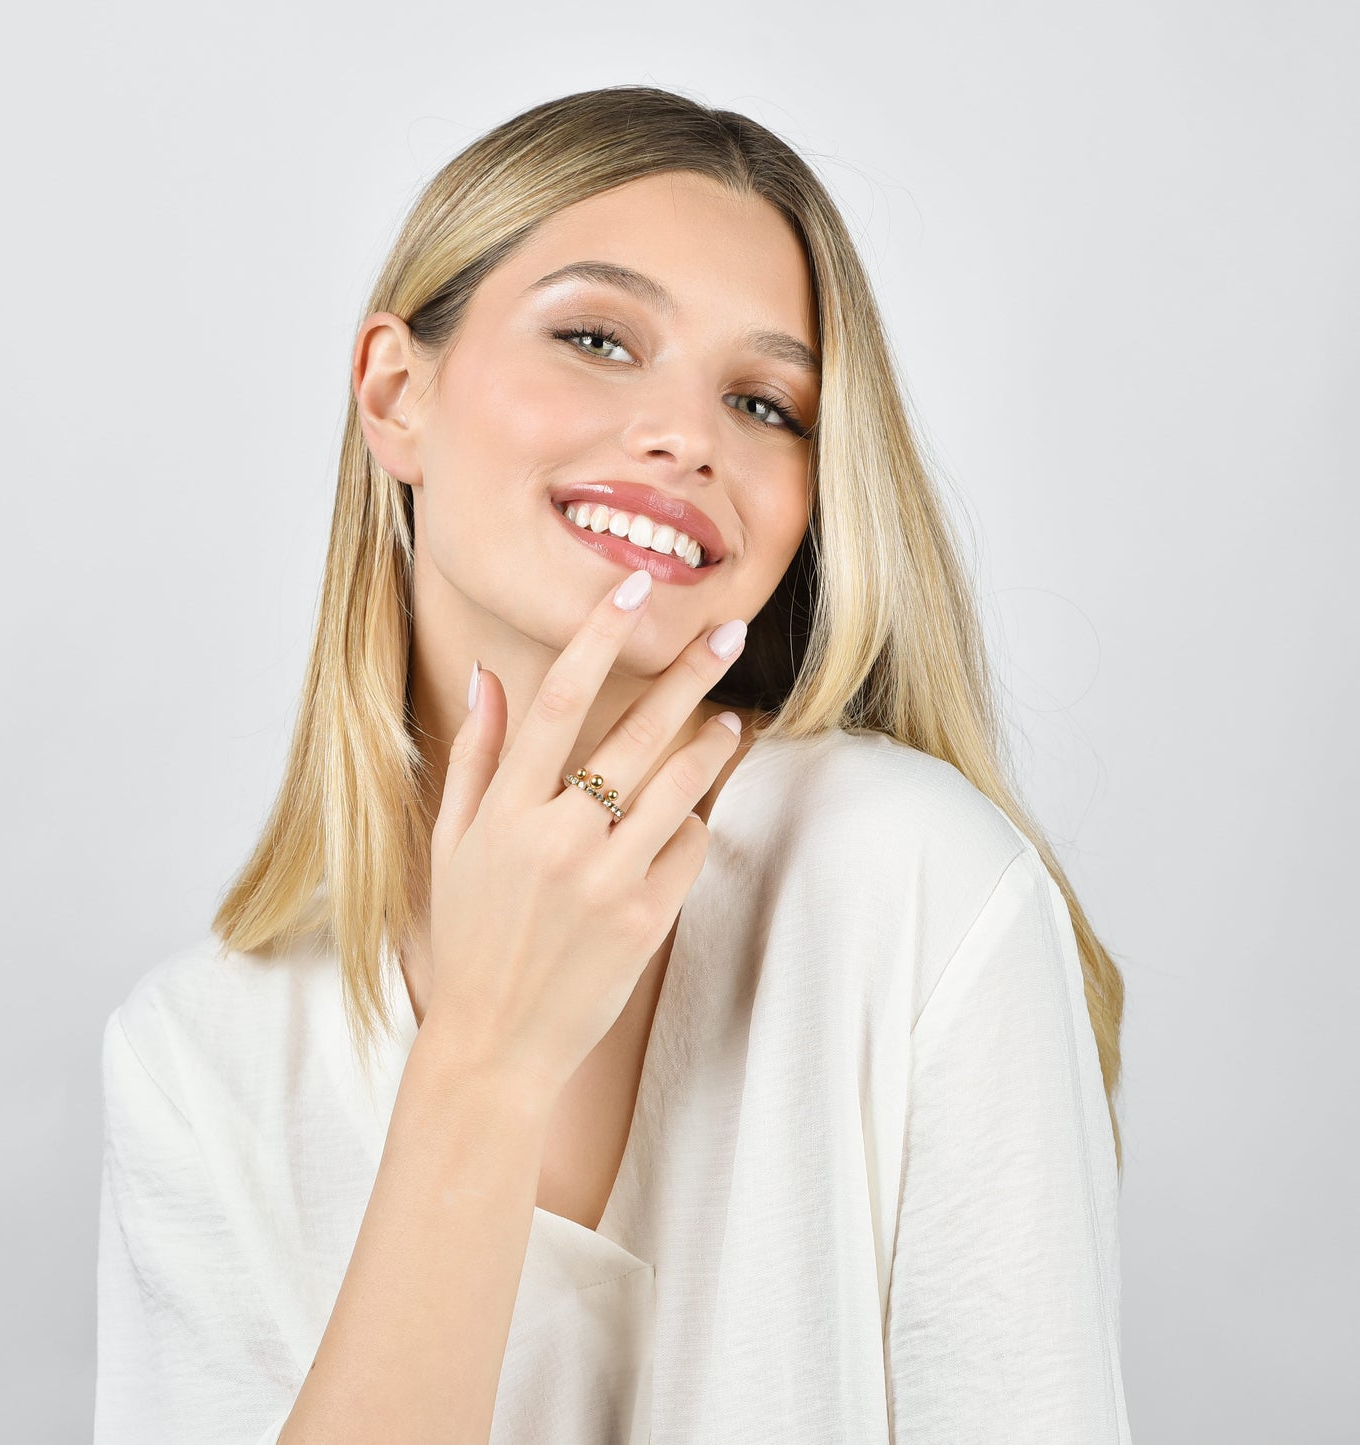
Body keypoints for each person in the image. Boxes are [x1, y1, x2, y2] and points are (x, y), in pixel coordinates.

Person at [94, 85, 1132, 1444]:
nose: (687, 437)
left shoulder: (916, 887)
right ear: (397, 395)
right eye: (596, 336)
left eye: (765, 403)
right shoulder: (201, 1054)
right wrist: (481, 1061)